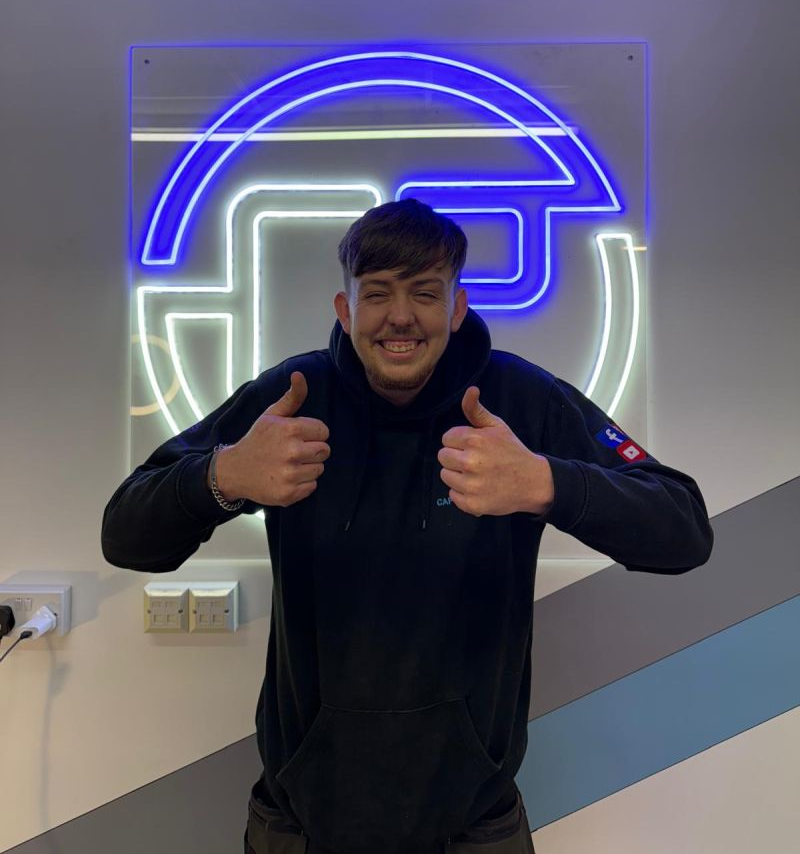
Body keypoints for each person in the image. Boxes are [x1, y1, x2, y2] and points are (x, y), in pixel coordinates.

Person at [102, 199, 714, 854]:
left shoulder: (522, 401)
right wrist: (222, 475)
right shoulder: (294, 397)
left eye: (425, 292)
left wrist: (546, 483)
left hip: (473, 827)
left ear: (457, 307)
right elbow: (125, 532)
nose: (400, 316)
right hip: (300, 825)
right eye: (378, 293)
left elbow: (682, 526)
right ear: (346, 309)